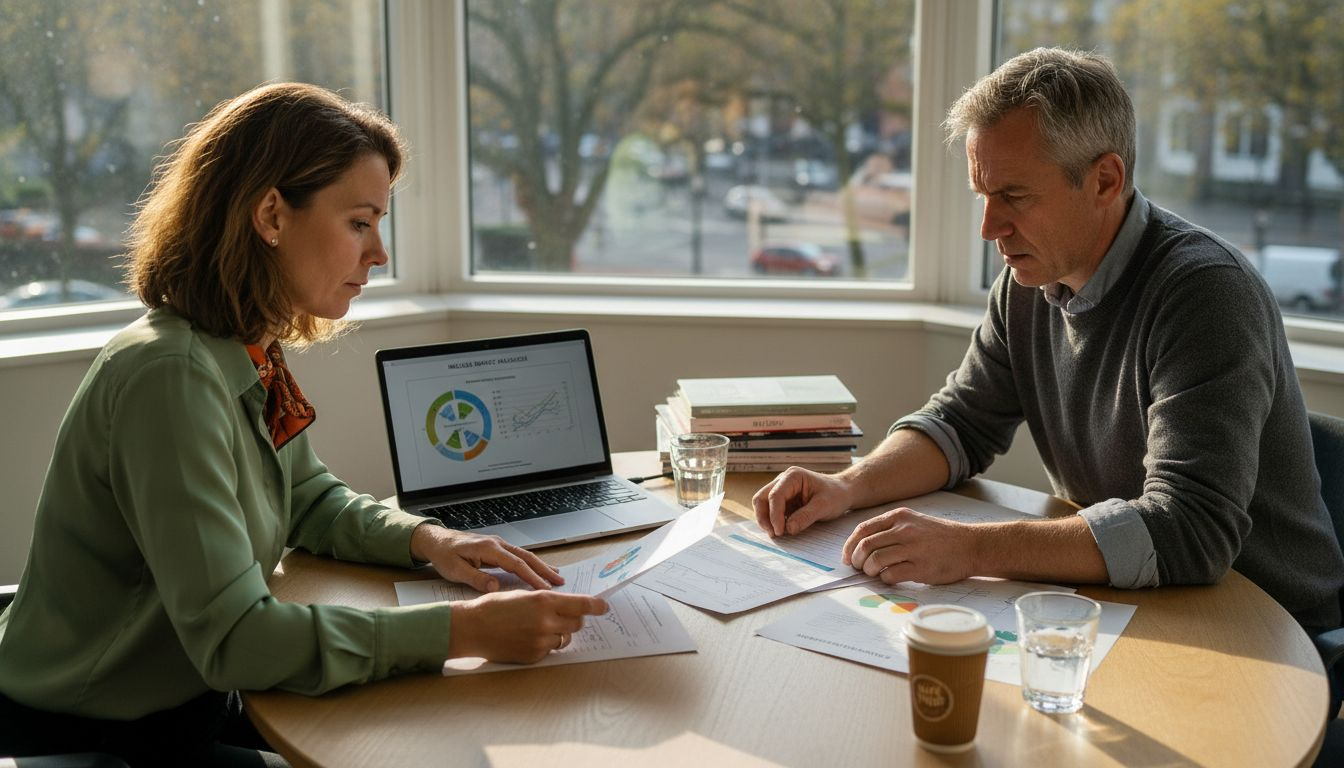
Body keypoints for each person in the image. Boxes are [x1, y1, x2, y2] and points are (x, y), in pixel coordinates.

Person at [0, 83, 608, 766]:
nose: (378, 253)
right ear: (271, 214)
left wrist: (430, 540)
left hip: (190, 698)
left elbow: (306, 495)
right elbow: (236, 641)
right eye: (359, 222)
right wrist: (458, 631)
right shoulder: (169, 378)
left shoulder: (241, 346)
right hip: (103, 730)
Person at [753, 48, 1344, 634]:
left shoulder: (1206, 294)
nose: (989, 228)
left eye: (1013, 196)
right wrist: (846, 486)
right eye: (981, 195)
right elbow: (961, 423)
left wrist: (972, 549)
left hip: (1270, 634)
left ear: (1105, 180)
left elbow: (1190, 530)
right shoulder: (1029, 280)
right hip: (1138, 607)